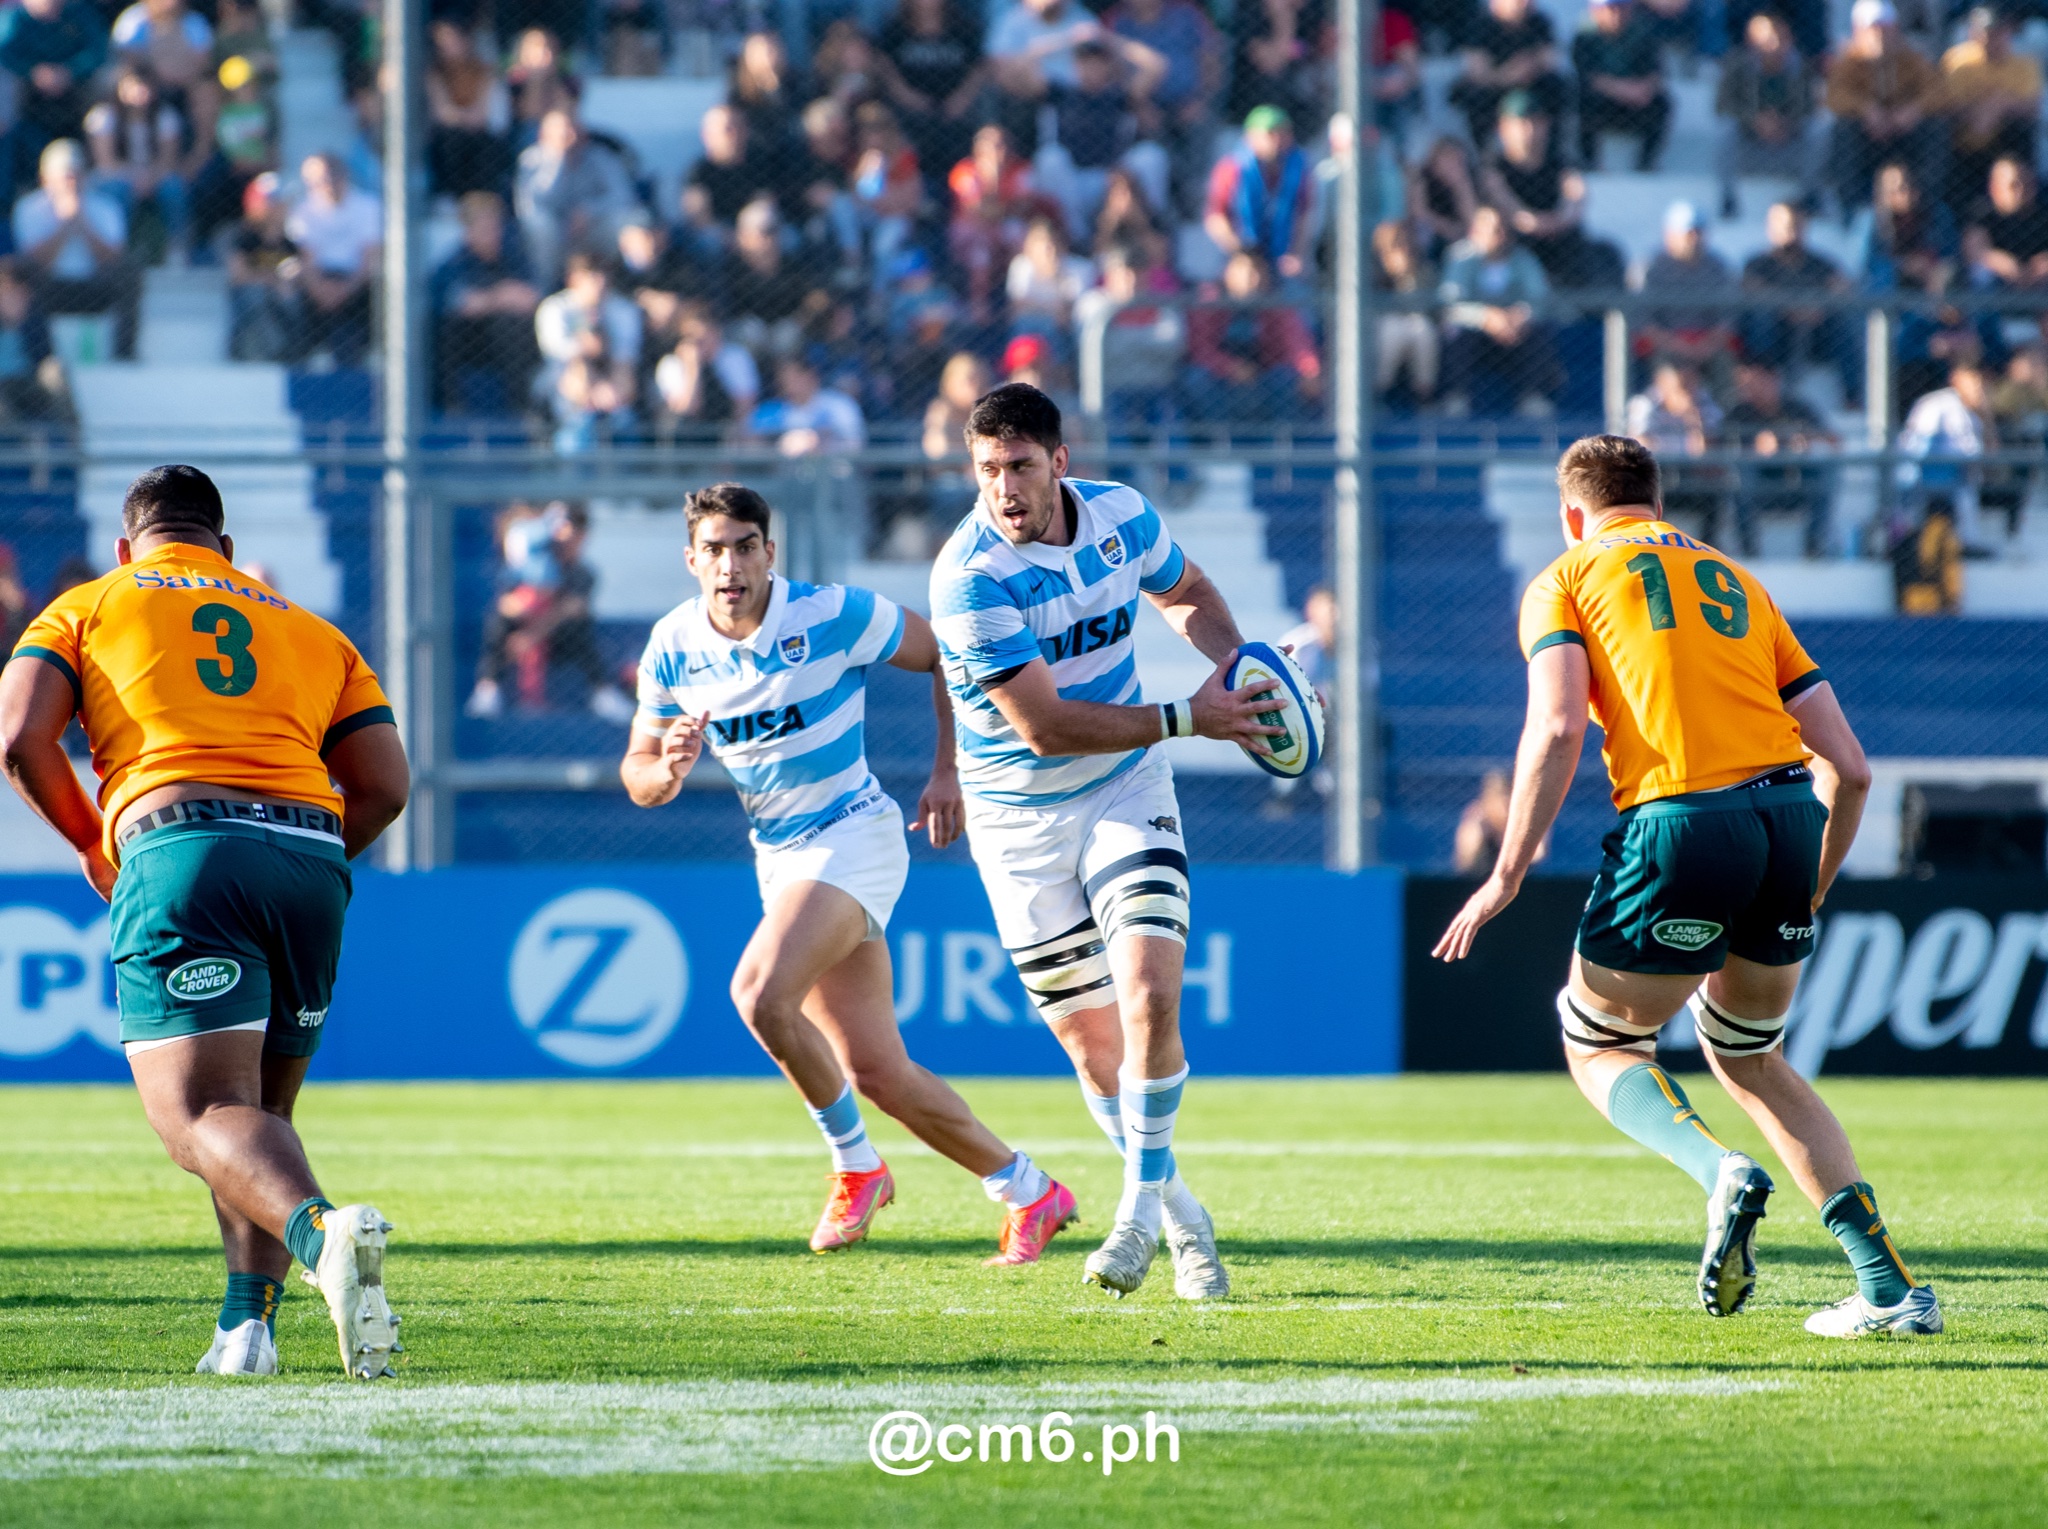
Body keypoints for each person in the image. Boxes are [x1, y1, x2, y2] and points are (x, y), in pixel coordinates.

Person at [1433, 433, 1942, 1341]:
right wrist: (1807, 892)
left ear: (1572, 513)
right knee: (1751, 1052)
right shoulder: (1739, 581)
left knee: (1596, 1038)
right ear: (1659, 504)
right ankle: (1891, 1289)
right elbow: (1852, 769)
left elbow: (1554, 727)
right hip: (1790, 818)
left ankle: (1718, 1173)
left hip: (1680, 822)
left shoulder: (1566, 575)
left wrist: (1506, 873)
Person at [0, 463, 412, 1377]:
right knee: (258, 1114)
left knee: (198, 1113)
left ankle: (322, 1237)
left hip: (183, 843)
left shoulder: (88, 604)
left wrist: (90, 841)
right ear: (223, 548)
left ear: (125, 546)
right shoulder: (306, 624)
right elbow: (385, 784)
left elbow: (20, 736)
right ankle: (246, 1331)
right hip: (311, 854)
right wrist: (309, 858)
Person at [623, 481, 1080, 1262]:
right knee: (877, 1070)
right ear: (691, 560)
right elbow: (638, 773)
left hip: (855, 833)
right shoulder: (672, 645)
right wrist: (664, 770)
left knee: (758, 994)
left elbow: (946, 650)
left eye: (743, 547)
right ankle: (1029, 1189)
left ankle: (856, 1167)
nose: (729, 565)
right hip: (781, 855)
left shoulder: (830, 614)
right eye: (713, 551)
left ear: (770, 552)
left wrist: (949, 770)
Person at [930, 382, 1284, 1299]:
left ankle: (1133, 1217)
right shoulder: (968, 574)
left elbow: (1189, 589)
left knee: (1151, 991)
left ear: (1060, 462)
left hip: (1126, 784)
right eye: (985, 470)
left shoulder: (1123, 515)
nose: (1001, 489)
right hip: (1017, 821)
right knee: (1097, 1055)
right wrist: (1186, 715)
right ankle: (1182, 1218)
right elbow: (1044, 726)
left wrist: (1239, 672)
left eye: (1017, 466)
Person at [466, 500, 635, 718]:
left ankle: (602, 693)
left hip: (557, 643)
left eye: (573, 532)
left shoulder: (584, 573)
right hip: (517, 637)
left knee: (579, 629)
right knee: (497, 623)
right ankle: (487, 690)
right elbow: (507, 605)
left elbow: (572, 610)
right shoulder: (526, 566)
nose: (564, 540)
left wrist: (531, 636)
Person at [13, 138, 138, 358]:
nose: (71, 182)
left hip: (92, 289)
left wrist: (84, 225)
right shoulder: (28, 209)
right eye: (64, 175)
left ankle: (124, 354)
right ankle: (43, 361)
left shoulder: (106, 207)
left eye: (75, 174)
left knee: (129, 270)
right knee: (21, 273)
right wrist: (64, 225)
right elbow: (34, 261)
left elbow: (113, 259)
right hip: (51, 290)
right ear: (45, 178)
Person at [1825, 0, 1946, 217]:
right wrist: (1867, 110)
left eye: (1885, 28)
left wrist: (1913, 110)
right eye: (1872, 29)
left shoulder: (1911, 58)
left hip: (1904, 135)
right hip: (1867, 138)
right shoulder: (1848, 62)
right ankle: (1852, 209)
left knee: (1937, 127)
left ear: (1896, 30)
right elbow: (1834, 97)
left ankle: (1928, 204)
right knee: (1843, 130)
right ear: (1857, 31)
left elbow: (1938, 92)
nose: (1879, 35)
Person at [1438, 204, 1558, 417]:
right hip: (1474, 333)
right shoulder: (1460, 257)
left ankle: (1532, 397)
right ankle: (1457, 398)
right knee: (1456, 334)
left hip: (1514, 333)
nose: (1499, 235)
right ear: (1476, 231)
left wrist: (1521, 315)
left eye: (1502, 229)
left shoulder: (1523, 259)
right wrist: (1485, 317)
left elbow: (1540, 298)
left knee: (1540, 331)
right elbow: (1450, 303)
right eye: (1492, 229)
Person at [430, 191, 541, 415]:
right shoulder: (455, 261)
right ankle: (451, 407)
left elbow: (532, 299)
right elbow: (461, 305)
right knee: (448, 328)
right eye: (484, 227)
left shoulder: (513, 256)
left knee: (510, 324)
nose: (493, 234)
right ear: (467, 231)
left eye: (496, 226)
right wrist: (501, 295)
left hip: (507, 341)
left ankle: (521, 409)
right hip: (467, 341)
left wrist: (486, 300)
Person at [1185, 248, 1322, 419]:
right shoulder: (1210, 301)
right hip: (1220, 376)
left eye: (1258, 270)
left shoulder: (1275, 304)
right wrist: (1230, 367)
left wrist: (1310, 372)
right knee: (1196, 378)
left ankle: (1279, 443)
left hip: (1263, 375)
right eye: (1244, 269)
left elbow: (1297, 343)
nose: (1251, 277)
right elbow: (1200, 348)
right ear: (1227, 272)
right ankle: (1217, 441)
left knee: (1284, 378)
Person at [1739, 201, 1855, 403]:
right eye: (1784, 225)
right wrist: (1790, 309)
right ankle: (1765, 390)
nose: (1790, 231)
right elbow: (1755, 290)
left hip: (1816, 333)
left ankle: (1854, 397)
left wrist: (1820, 309)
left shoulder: (1819, 263)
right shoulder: (1758, 263)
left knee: (1846, 321)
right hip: (1776, 334)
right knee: (1762, 315)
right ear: (1771, 227)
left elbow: (1843, 289)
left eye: (1796, 225)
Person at [1724, 360, 1835, 556]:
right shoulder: (1739, 411)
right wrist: (1756, 448)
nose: (1748, 388)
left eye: (1755, 381)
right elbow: (1722, 447)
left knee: (1822, 474)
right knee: (1743, 476)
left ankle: (1814, 548)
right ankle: (1749, 551)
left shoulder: (1796, 407)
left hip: (1795, 482)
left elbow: (1833, 440)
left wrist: (1802, 439)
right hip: (1758, 488)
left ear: (1773, 379)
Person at [1713, 11, 1819, 217]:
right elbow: (1722, 105)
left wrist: (1785, 123)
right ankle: (1728, 197)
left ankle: (1810, 195)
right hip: (1749, 145)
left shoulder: (1802, 67)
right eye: (1766, 38)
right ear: (1751, 40)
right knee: (1725, 129)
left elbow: (1810, 107)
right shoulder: (1736, 65)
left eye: (1780, 37)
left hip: (1789, 142)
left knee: (1819, 130)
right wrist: (1755, 119)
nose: (1774, 44)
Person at [535, 251, 641, 453]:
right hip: (563, 382)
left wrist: (609, 391)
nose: (600, 281)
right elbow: (558, 353)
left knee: (624, 418)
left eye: (603, 274)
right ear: (573, 279)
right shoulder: (554, 308)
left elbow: (625, 359)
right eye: (591, 275)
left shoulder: (623, 309)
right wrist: (590, 387)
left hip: (612, 383)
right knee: (575, 375)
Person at [284, 152, 380, 367]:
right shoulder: (302, 212)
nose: (320, 186)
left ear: (342, 176)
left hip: (357, 283)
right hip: (318, 282)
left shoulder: (368, 207)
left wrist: (345, 290)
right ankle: (303, 354)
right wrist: (320, 289)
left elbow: (370, 258)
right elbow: (305, 257)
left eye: (325, 179)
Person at [0, 0, 105, 195]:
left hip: (75, 93)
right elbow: (5, 54)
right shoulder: (15, 19)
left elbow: (98, 51)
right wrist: (34, 72)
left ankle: (104, 167)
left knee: (105, 84)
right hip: (29, 101)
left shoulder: (78, 12)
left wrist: (70, 72)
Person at [1940, 6, 2038, 216]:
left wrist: (1999, 104)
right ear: (1973, 34)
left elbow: (2031, 107)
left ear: (2008, 32)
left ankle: (2022, 208)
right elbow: (1946, 107)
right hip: (1964, 145)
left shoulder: (2024, 65)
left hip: (2003, 144)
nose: (1990, 38)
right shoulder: (1957, 62)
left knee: (2022, 128)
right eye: (1984, 32)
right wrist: (1982, 109)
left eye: (1997, 32)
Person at [1202, 106, 1315, 285]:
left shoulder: (1298, 168)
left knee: (1296, 281)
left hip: (1280, 251)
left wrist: (1296, 253)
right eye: (1270, 133)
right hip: (1239, 250)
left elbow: (1303, 215)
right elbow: (1215, 218)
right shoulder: (1232, 168)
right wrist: (1242, 251)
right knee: (1247, 276)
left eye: (1283, 133)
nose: (1278, 140)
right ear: (1251, 136)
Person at [1897, 358, 1996, 552]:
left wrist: (1987, 416)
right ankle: (1908, 542)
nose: (1979, 387)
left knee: (1967, 493)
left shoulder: (1974, 412)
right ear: (1956, 378)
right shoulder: (1936, 404)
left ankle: (1966, 545)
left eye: (1982, 381)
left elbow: (1988, 452)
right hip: (1925, 475)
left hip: (1959, 477)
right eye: (1973, 380)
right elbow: (1917, 445)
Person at [1638, 201, 1734, 384]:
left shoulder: (1718, 267)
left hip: (1708, 347)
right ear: (1670, 234)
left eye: (1699, 232)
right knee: (1668, 371)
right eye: (1688, 233)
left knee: (1725, 367)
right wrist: (1680, 348)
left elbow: (1727, 319)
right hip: (1666, 347)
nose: (1694, 239)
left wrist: (1703, 348)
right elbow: (1645, 323)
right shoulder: (1651, 267)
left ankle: (1723, 413)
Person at [1448, 0, 1566, 149]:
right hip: (1494, 88)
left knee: (1556, 86)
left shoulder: (1538, 21)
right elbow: (1477, 72)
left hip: (1530, 82)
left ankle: (1552, 150)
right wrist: (1507, 75)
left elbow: (1550, 59)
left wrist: (1528, 66)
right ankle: (1484, 151)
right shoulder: (1479, 23)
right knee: (1476, 96)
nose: (1524, 4)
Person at [1572, 0, 1669, 171]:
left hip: (1637, 103)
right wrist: (1623, 89)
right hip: (1602, 105)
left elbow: (1655, 73)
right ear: (1595, 11)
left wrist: (1642, 89)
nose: (1615, 15)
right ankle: (1589, 162)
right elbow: (1588, 77)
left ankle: (1645, 165)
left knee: (1662, 103)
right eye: (1610, 9)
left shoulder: (1643, 34)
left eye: (1620, 8)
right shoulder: (1584, 36)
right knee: (1582, 100)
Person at [224, 171, 301, 362]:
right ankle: (272, 351)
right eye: (271, 202)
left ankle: (296, 350)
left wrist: (285, 282)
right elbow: (238, 276)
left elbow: (298, 271)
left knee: (291, 297)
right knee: (256, 294)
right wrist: (273, 280)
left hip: (277, 298)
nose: (276, 208)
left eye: (279, 202)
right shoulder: (242, 237)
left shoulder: (292, 240)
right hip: (249, 301)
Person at [749, 356, 866, 455]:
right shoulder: (771, 410)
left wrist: (816, 442)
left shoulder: (839, 405)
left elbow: (854, 444)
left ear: (811, 376)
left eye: (795, 377)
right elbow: (749, 443)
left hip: (832, 474)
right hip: (783, 476)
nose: (789, 384)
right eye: (784, 378)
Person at [1966, 154, 2048, 288]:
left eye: (2027, 183)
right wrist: (2005, 265)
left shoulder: (2043, 213)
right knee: (1983, 275)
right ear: (1994, 187)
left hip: (2038, 281)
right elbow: (1976, 252)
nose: (2022, 190)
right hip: (2001, 280)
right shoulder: (1982, 213)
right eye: (2014, 184)